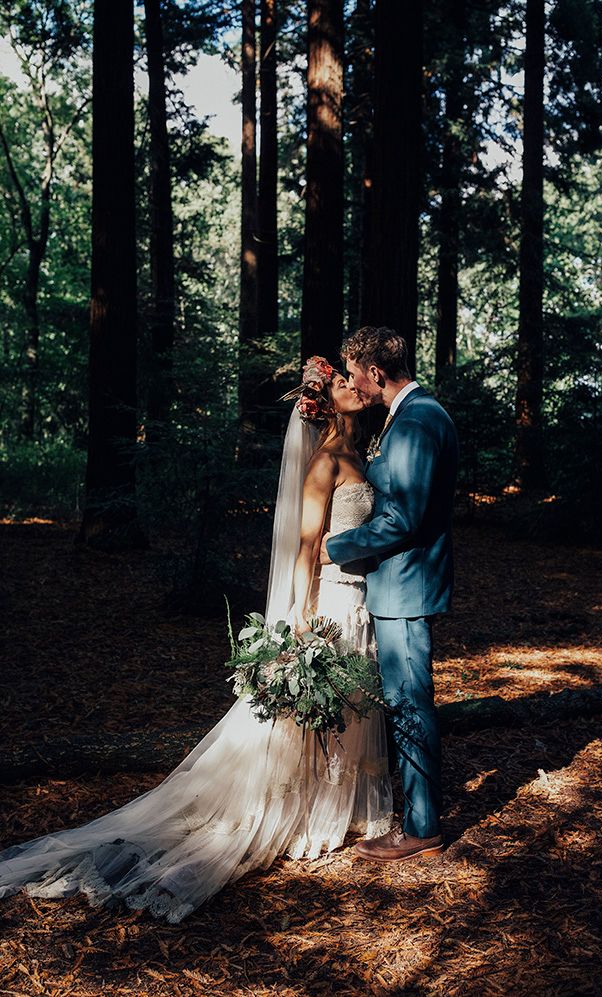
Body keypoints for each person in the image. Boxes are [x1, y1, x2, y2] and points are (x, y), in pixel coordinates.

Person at [0, 357, 393, 923]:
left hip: (360, 596)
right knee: (315, 714)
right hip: (329, 600)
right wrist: (302, 618)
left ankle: (341, 805)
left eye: (349, 378)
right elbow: (306, 546)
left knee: (349, 707)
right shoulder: (325, 461)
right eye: (338, 381)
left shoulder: (361, 453)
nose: (351, 385)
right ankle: (303, 809)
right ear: (324, 400)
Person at [321, 326, 458, 862]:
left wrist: (337, 548)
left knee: (408, 703)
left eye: (355, 373)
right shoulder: (416, 415)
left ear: (375, 372)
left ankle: (421, 826)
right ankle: (417, 816)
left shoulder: (418, 421)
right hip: (403, 580)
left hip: (406, 583)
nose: (352, 382)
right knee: (405, 700)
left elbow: (402, 519)